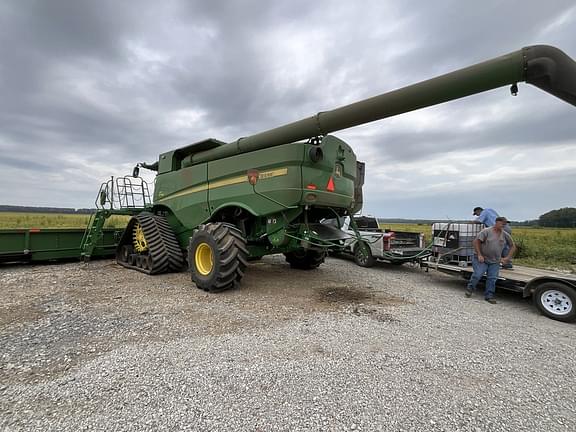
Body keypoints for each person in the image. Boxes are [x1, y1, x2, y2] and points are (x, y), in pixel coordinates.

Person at [465, 216, 516, 304]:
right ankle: (470, 288)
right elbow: (476, 242)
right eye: (502, 223)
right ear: (496, 222)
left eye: (505, 224)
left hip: (495, 260)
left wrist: (507, 258)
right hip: (482, 259)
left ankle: (489, 296)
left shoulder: (505, 234)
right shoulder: (486, 231)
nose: (504, 225)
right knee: (478, 274)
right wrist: (480, 254)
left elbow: (513, 246)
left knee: (492, 278)